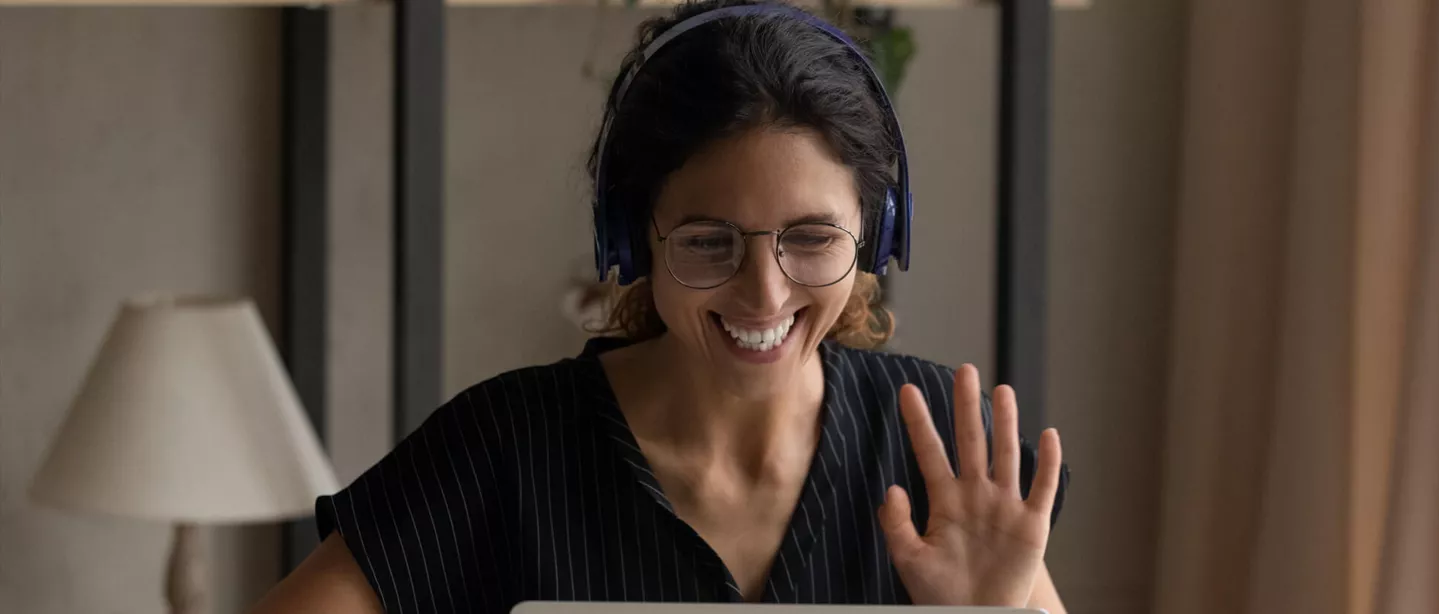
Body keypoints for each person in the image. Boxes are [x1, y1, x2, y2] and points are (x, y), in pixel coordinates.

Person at [252, 1, 1068, 612]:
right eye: (710, 241)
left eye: (813, 238)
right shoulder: (506, 444)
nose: (765, 292)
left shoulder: (943, 462)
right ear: (633, 241)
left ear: (876, 233)